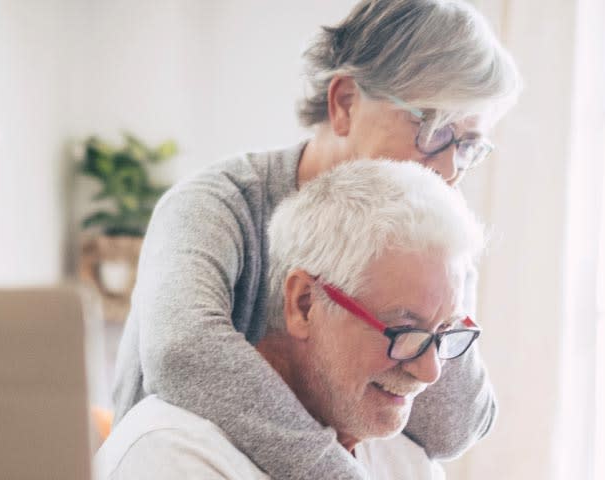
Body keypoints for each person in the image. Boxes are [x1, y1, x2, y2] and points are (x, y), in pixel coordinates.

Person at [110, 0, 520, 478]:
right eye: (432, 128)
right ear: (344, 102)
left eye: (468, 144)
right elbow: (182, 352)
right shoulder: (218, 204)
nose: (450, 168)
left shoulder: (429, 236)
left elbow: (455, 426)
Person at [97, 161, 483, 480]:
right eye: (405, 330)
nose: (430, 372)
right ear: (303, 304)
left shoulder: (400, 455)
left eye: (444, 332)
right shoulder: (171, 457)